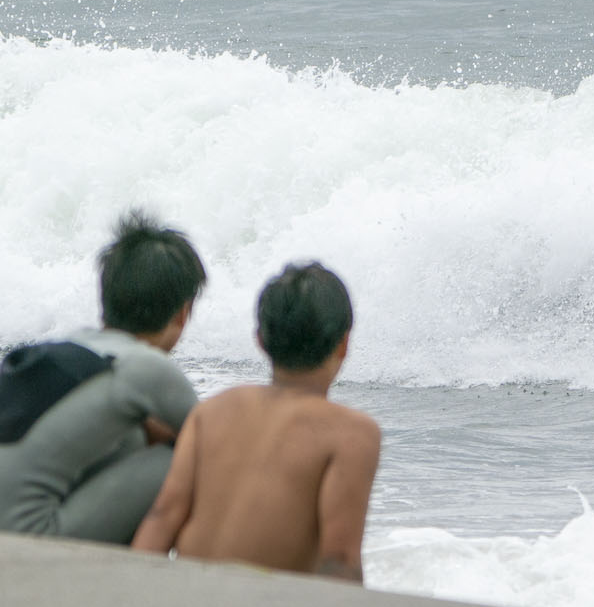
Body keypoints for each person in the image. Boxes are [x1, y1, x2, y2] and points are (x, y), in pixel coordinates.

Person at [133, 262, 380, 583]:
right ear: (344, 344)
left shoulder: (213, 411)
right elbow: (340, 560)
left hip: (187, 596)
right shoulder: (352, 434)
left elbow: (164, 516)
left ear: (261, 340)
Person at [0, 211, 205, 543]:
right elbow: (216, 443)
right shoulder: (148, 367)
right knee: (188, 455)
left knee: (133, 437)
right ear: (183, 313)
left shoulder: (69, 347)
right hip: (32, 538)